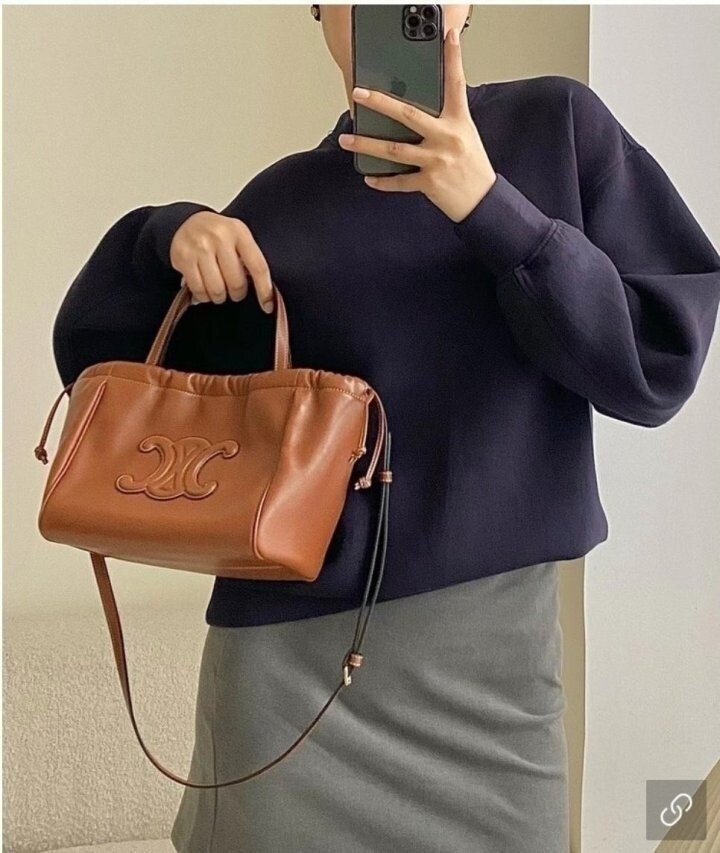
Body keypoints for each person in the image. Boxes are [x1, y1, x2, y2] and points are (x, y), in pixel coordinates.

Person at [50, 4, 720, 852]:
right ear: (319, 11)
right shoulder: (277, 204)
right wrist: (162, 235)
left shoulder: (556, 128)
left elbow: (657, 363)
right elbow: (108, 378)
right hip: (283, 687)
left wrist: (490, 206)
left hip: (495, 686)